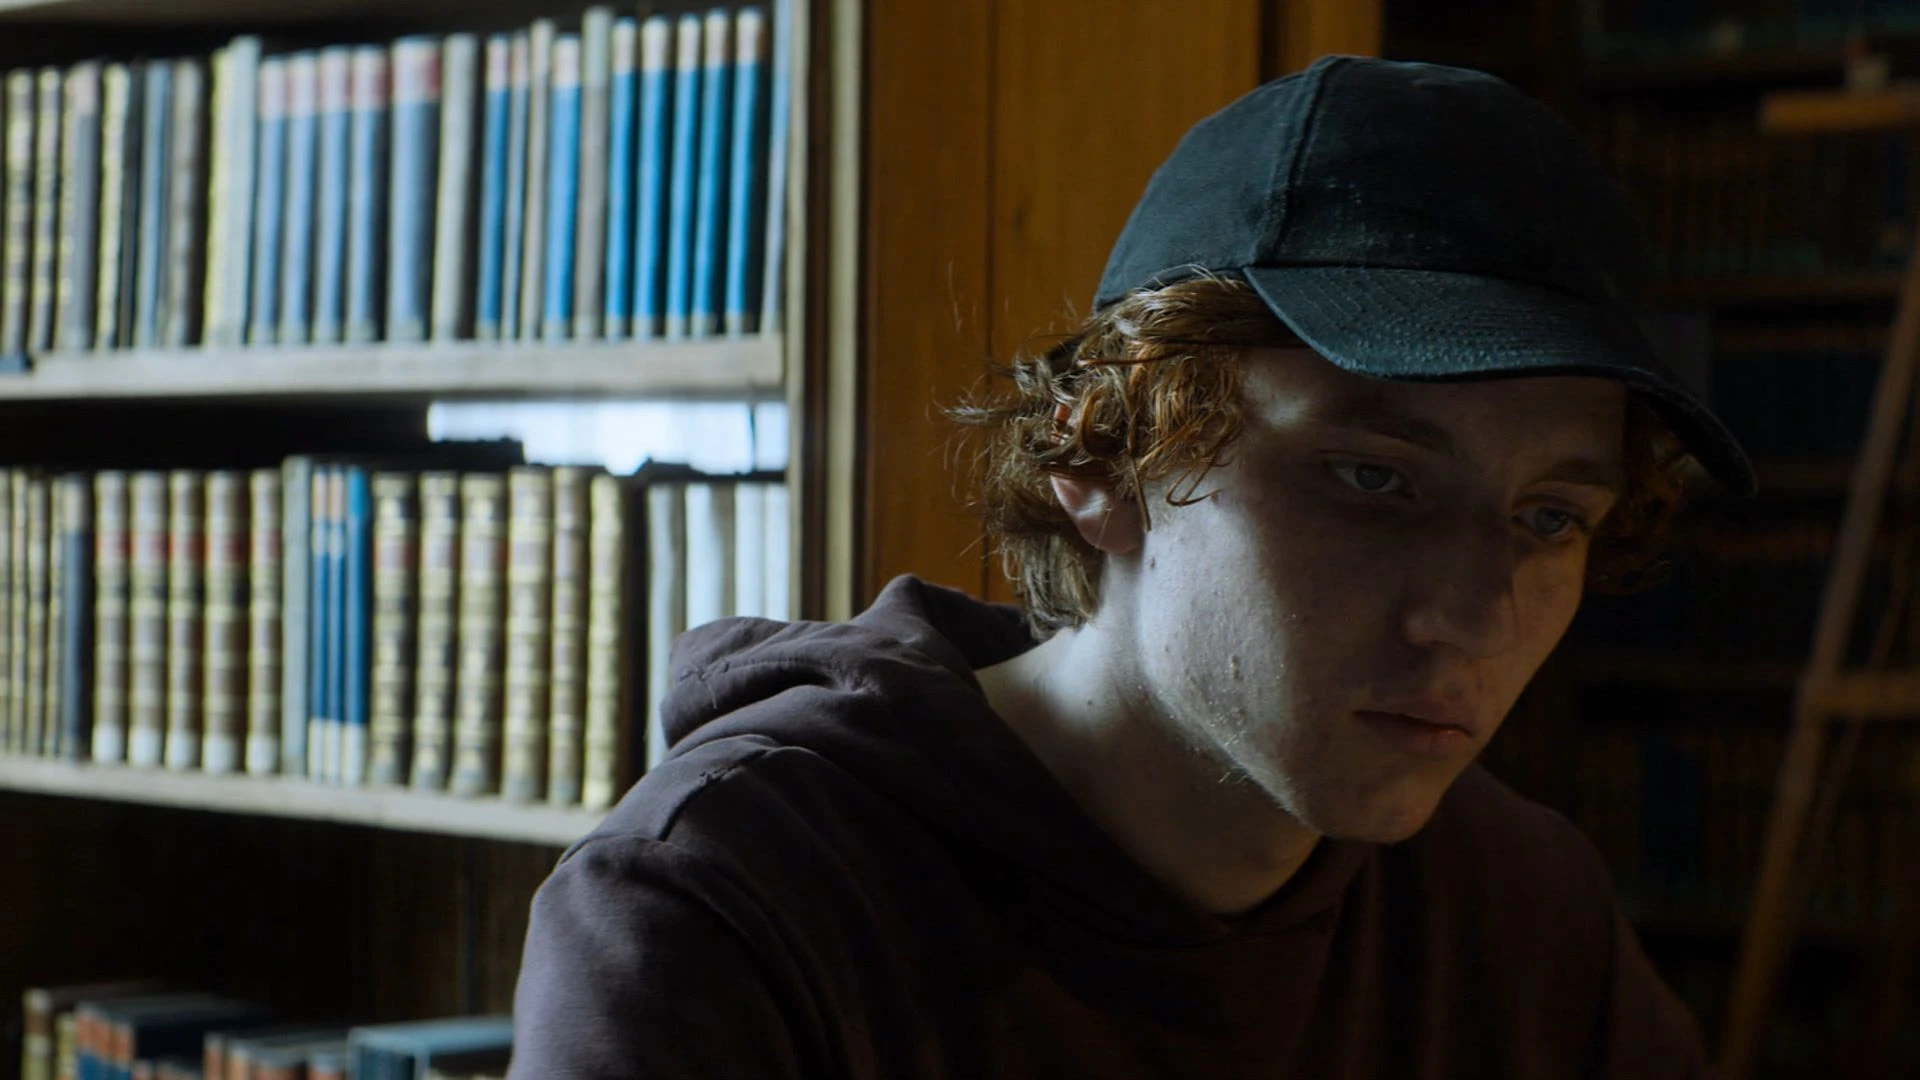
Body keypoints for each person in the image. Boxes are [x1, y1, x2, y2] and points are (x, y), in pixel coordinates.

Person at [508, 55, 1755, 1078]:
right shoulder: (728, 899)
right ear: (1102, 456)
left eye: (1549, 518)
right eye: (1374, 480)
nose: (1476, 617)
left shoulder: (1520, 907)